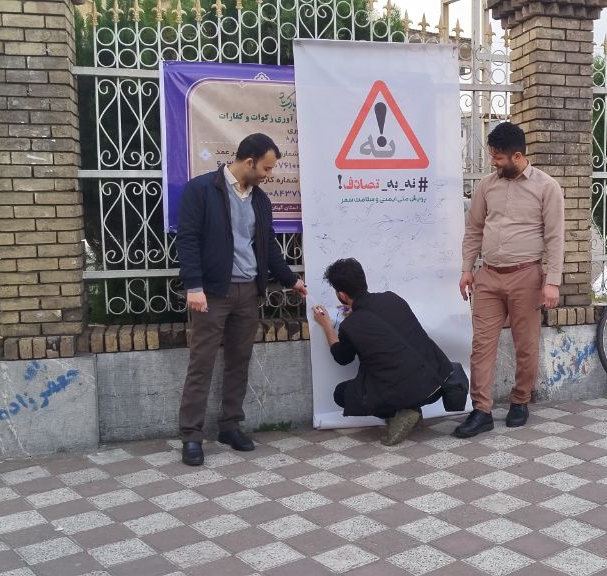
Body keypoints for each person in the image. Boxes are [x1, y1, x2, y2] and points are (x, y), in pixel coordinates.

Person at [176, 133, 307, 466]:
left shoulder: (260, 200)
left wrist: (291, 279)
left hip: (248, 291)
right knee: (201, 363)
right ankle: (191, 435)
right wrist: (194, 286)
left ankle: (230, 426)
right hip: (212, 293)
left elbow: (268, 246)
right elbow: (187, 240)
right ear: (249, 161)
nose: (269, 175)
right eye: (266, 168)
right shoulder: (202, 190)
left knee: (239, 361)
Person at [455, 122, 564, 437]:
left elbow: (555, 238)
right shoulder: (486, 186)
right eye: (492, 156)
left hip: (526, 277)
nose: (494, 162)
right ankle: (481, 410)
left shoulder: (547, 187)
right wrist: (467, 269)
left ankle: (520, 400)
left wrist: (552, 281)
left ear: (518, 156)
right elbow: (474, 229)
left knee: (526, 345)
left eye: (498, 158)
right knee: (481, 345)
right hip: (488, 276)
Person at [311, 258, 452, 445]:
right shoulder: (392, 298)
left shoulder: (351, 325)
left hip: (406, 391)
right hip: (438, 383)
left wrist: (327, 326)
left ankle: (398, 414)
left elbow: (342, 357)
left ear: (342, 295)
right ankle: (411, 409)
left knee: (340, 393)